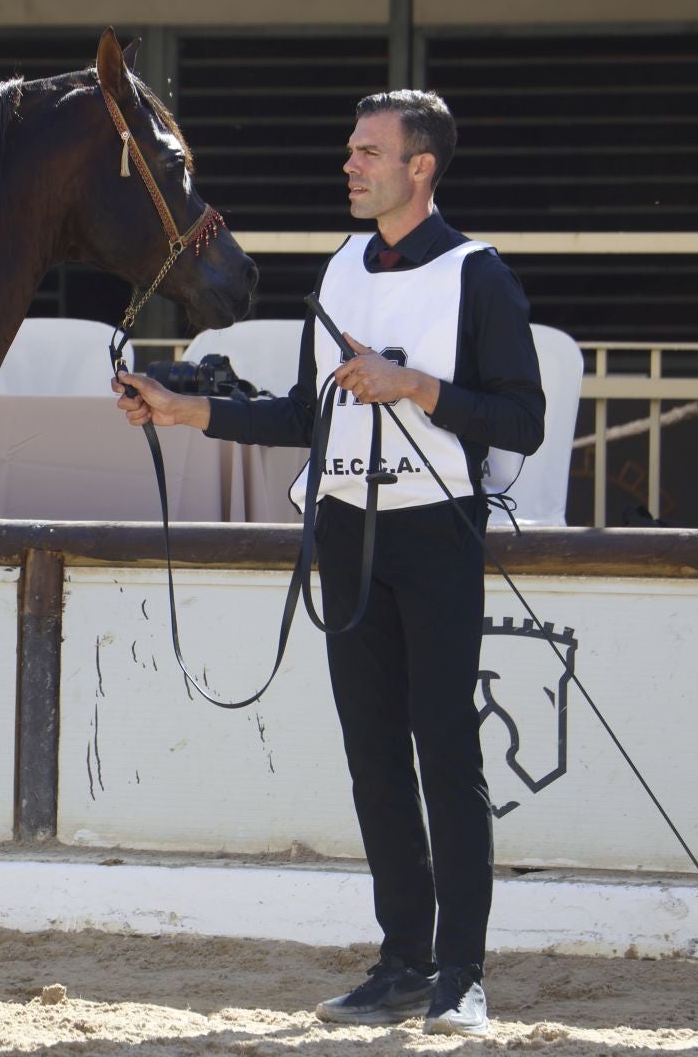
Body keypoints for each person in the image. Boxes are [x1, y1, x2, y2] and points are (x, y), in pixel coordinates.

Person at [112, 90, 545, 1038]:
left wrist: (418, 386)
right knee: (375, 759)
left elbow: (522, 420)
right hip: (347, 530)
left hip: (437, 534)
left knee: (446, 753)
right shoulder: (341, 266)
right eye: (351, 151)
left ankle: (460, 975)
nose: (349, 165)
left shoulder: (478, 275)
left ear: (419, 167)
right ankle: (401, 961)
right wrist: (186, 411)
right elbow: (307, 411)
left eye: (368, 152)